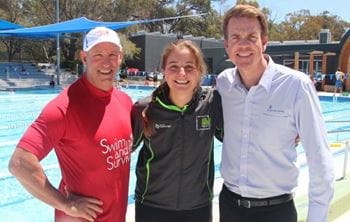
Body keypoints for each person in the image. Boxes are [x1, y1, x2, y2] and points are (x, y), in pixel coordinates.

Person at [216, 4, 334, 222]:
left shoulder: (296, 86)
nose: (243, 44)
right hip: (229, 207)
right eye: (235, 37)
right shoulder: (224, 83)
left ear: (264, 41)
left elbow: (319, 157)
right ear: (226, 45)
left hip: (275, 211)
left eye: (252, 36)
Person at [8, 26, 133, 222]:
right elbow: (19, 163)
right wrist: (65, 204)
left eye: (112, 54)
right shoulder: (63, 108)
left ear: (120, 57)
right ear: (84, 58)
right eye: (98, 54)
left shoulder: (125, 102)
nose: (106, 62)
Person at [131, 39, 223, 222]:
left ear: (199, 72)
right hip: (151, 206)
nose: (182, 73)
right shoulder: (144, 109)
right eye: (174, 66)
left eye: (189, 67)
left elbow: (240, 137)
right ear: (163, 70)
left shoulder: (212, 104)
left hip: (197, 207)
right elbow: (121, 150)